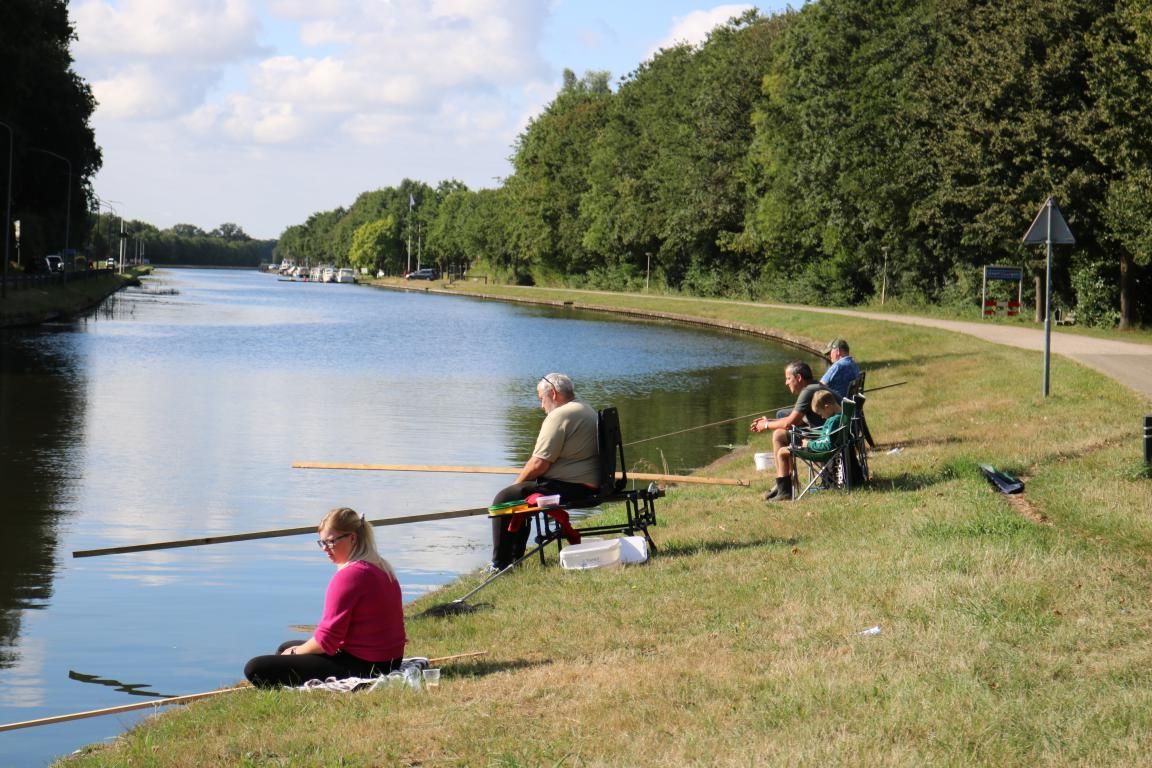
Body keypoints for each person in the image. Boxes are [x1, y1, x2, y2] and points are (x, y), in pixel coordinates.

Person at [244, 507, 406, 687]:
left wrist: (296, 653)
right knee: (285, 647)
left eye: (331, 542)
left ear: (352, 538)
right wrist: (295, 651)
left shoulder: (350, 575)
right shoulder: (380, 566)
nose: (325, 549)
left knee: (255, 667)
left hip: (366, 666)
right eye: (322, 543)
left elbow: (327, 640)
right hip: (389, 661)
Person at [488, 373, 600, 571]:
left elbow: (538, 464)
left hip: (573, 487)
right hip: (591, 483)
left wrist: (516, 486)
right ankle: (513, 559)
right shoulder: (586, 408)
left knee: (504, 499)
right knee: (519, 494)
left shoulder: (560, 415)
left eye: (541, 399)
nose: (541, 406)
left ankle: (500, 564)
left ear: (553, 394)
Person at [750, 361, 830, 501]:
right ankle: (783, 484)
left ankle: (784, 487)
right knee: (780, 428)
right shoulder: (815, 386)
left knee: (778, 435)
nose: (786, 383)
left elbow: (790, 423)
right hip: (827, 435)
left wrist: (766, 425)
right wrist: (770, 421)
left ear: (798, 378)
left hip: (821, 441)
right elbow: (798, 419)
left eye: (788, 378)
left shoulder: (807, 391)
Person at [766, 390, 843, 502]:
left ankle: (784, 491)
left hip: (822, 452)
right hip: (823, 448)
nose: (822, 417)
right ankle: (784, 487)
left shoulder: (833, 421)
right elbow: (826, 438)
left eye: (821, 413)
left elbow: (827, 444)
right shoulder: (838, 416)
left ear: (827, 407)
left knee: (782, 452)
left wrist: (809, 444)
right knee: (784, 444)